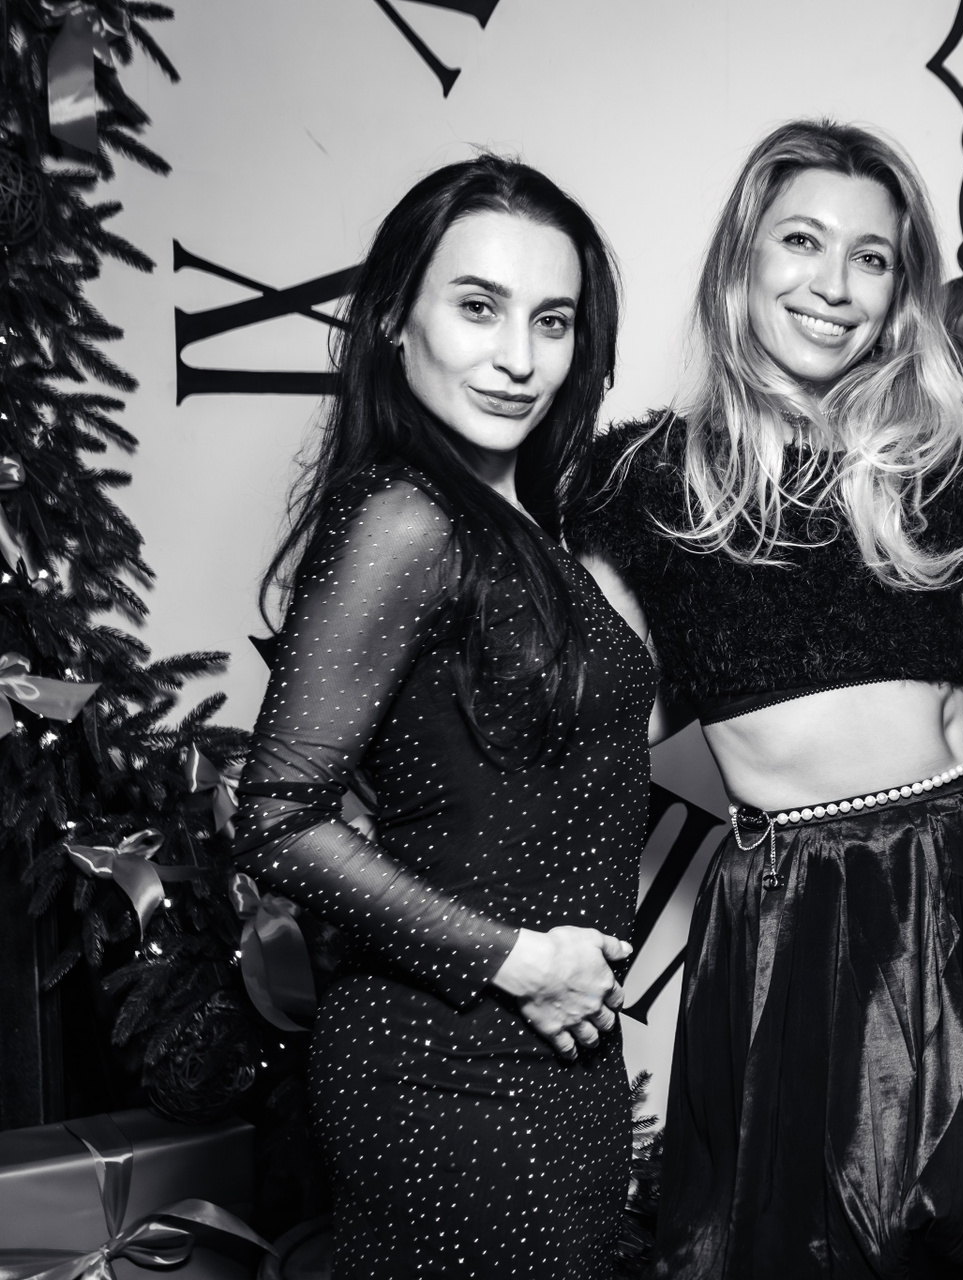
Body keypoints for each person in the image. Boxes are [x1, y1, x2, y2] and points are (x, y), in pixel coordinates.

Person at [570, 119, 963, 1278]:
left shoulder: (940, 454)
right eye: (802, 241)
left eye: (872, 257)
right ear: (741, 261)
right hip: (801, 906)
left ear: (900, 295)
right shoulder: (645, 480)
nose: (835, 285)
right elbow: (584, 743)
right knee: (805, 1243)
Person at [234, 155, 650, 1278]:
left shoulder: (527, 520)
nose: (520, 358)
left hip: (553, 1054)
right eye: (478, 307)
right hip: (444, 1059)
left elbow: (554, 773)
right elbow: (277, 814)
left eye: (551, 320)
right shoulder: (404, 514)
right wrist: (517, 960)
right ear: (392, 319)